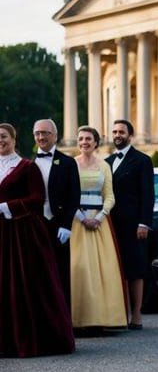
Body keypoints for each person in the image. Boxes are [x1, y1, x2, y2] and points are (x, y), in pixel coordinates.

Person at [0, 123, 75, 357]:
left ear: (13, 138)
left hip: (20, 234)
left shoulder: (27, 167)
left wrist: (6, 207)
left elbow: (36, 199)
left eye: (3, 136)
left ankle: (27, 339)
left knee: (23, 285)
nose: (0, 141)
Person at [70, 126, 127, 332]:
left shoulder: (104, 166)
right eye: (81, 138)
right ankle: (77, 319)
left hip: (99, 223)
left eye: (88, 139)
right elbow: (68, 196)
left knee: (103, 270)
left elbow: (109, 196)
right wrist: (81, 217)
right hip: (77, 221)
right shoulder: (71, 165)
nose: (84, 142)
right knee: (79, 268)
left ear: (96, 142)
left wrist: (101, 216)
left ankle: (101, 318)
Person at [106, 119, 154, 330]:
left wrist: (144, 223)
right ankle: (120, 315)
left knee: (135, 269)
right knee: (117, 269)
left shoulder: (142, 161)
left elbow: (148, 195)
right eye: (115, 131)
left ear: (130, 135)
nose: (117, 135)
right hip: (110, 224)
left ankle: (136, 316)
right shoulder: (106, 162)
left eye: (121, 132)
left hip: (134, 224)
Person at [33, 118, 81, 304]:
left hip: (58, 224)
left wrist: (67, 225)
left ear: (55, 135)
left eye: (45, 133)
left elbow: (74, 196)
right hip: (35, 225)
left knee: (61, 274)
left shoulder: (68, 162)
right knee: (37, 274)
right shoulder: (28, 164)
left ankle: (63, 324)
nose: (41, 137)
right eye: (37, 133)